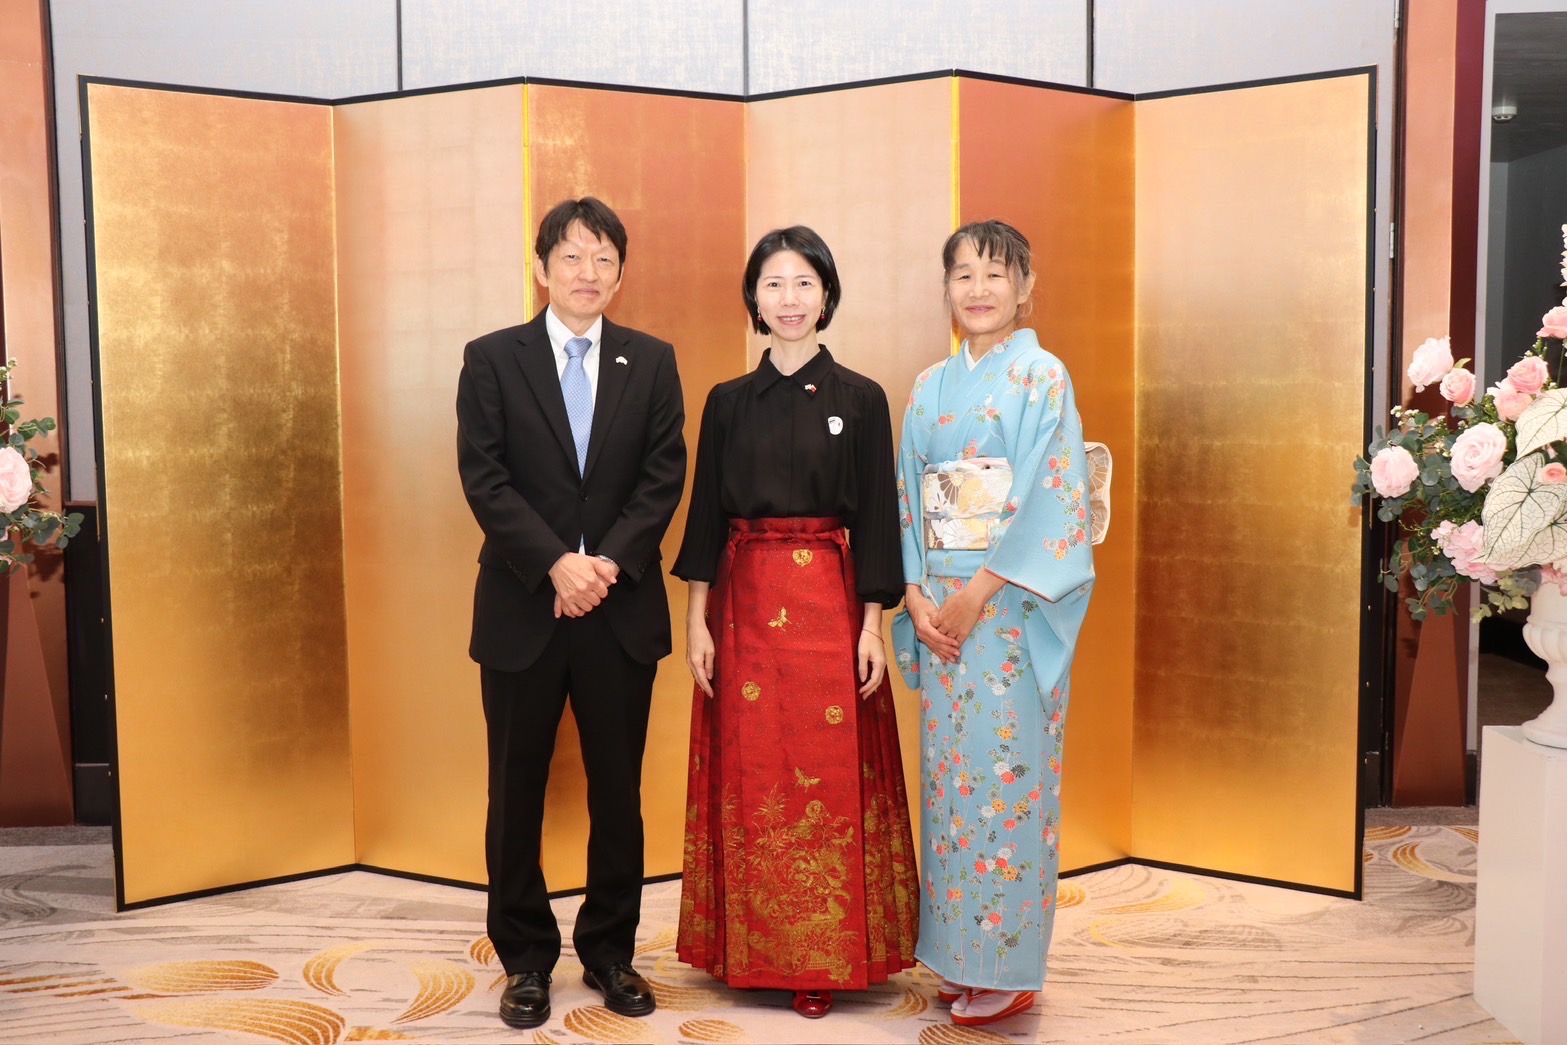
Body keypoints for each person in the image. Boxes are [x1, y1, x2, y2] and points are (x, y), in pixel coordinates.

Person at [672, 226, 919, 1019]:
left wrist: (871, 626)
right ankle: (745, 949)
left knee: (827, 777)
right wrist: (697, 622)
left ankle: (825, 955)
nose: (789, 298)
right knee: (755, 778)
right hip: (744, 605)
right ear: (753, 297)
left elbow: (876, 520)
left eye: (804, 283)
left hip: (830, 605)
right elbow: (704, 522)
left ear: (826, 295)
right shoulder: (726, 401)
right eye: (773, 283)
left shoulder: (861, 397)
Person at [455, 197, 686, 1030]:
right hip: (524, 605)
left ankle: (609, 950)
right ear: (541, 267)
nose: (588, 273)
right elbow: (484, 476)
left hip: (618, 609)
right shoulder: (493, 358)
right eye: (572, 257)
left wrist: (605, 564)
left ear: (620, 273)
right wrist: (555, 561)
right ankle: (524, 958)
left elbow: (663, 475)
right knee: (513, 790)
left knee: (618, 791)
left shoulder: (650, 360)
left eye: (604, 259)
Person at [893, 220, 1095, 1028]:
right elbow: (908, 494)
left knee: (1007, 781)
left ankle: (1007, 965)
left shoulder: (1042, 375)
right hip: (940, 613)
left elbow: (1052, 493)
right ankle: (957, 955)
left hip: (1008, 607)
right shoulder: (927, 386)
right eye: (963, 274)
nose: (978, 288)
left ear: (1025, 286)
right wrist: (914, 591)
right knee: (951, 787)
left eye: (995, 273)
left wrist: (976, 592)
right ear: (945, 287)